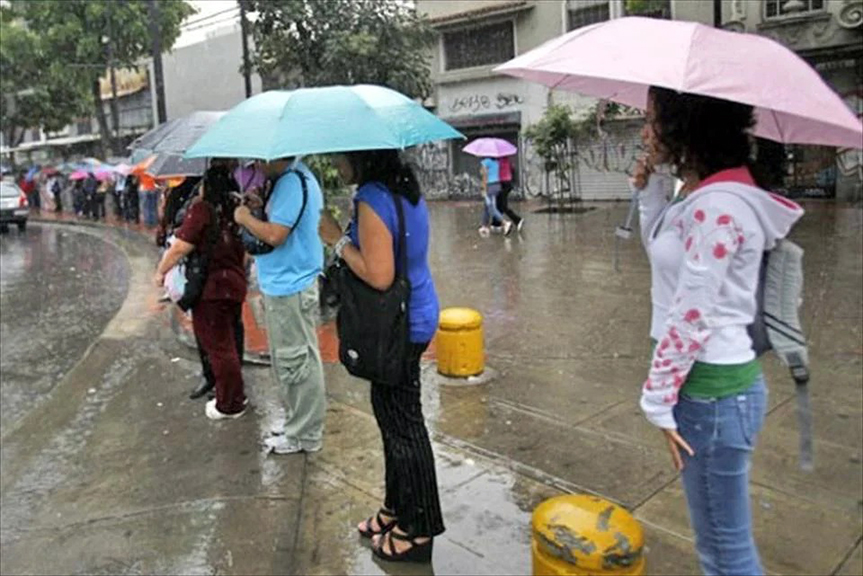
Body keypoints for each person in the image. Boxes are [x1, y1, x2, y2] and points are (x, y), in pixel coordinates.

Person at [633, 86, 803, 576]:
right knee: (721, 543)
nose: (645, 132)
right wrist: (652, 188)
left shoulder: (717, 205)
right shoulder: (705, 194)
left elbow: (691, 314)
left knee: (725, 553)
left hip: (710, 396)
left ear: (685, 126)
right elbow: (666, 260)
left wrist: (657, 398)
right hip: (709, 393)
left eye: (652, 119)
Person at [319, 149, 444, 564]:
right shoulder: (401, 189)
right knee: (392, 416)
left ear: (360, 157)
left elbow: (379, 274)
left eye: (339, 157)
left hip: (398, 325)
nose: (336, 164)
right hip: (412, 313)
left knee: (403, 425)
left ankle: (418, 529)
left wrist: (336, 239)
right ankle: (397, 506)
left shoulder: (373, 198)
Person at [233, 157, 326, 454]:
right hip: (286, 283)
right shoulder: (291, 179)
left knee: (297, 362)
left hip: (290, 285)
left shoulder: (291, 182)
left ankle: (304, 435)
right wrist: (260, 206)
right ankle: (297, 423)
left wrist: (245, 218)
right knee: (292, 360)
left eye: (260, 160)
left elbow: (275, 235)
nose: (258, 165)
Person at [154, 164, 248, 419]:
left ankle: (230, 404)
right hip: (234, 282)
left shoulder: (203, 210)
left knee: (219, 347)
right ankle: (235, 393)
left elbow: (180, 247)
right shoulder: (237, 209)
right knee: (230, 342)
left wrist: (161, 272)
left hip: (212, 288)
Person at [478, 156, 511, 237]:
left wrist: (483, 189)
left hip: (489, 186)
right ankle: (484, 226)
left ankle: (505, 223)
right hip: (497, 185)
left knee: (491, 207)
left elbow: (485, 177)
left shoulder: (485, 162)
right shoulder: (496, 162)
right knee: (487, 206)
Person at [496, 155, 523, 232]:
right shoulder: (506, 160)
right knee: (498, 204)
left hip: (503, 184)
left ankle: (517, 220)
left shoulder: (499, 161)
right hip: (507, 184)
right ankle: (497, 224)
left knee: (503, 206)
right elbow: (512, 169)